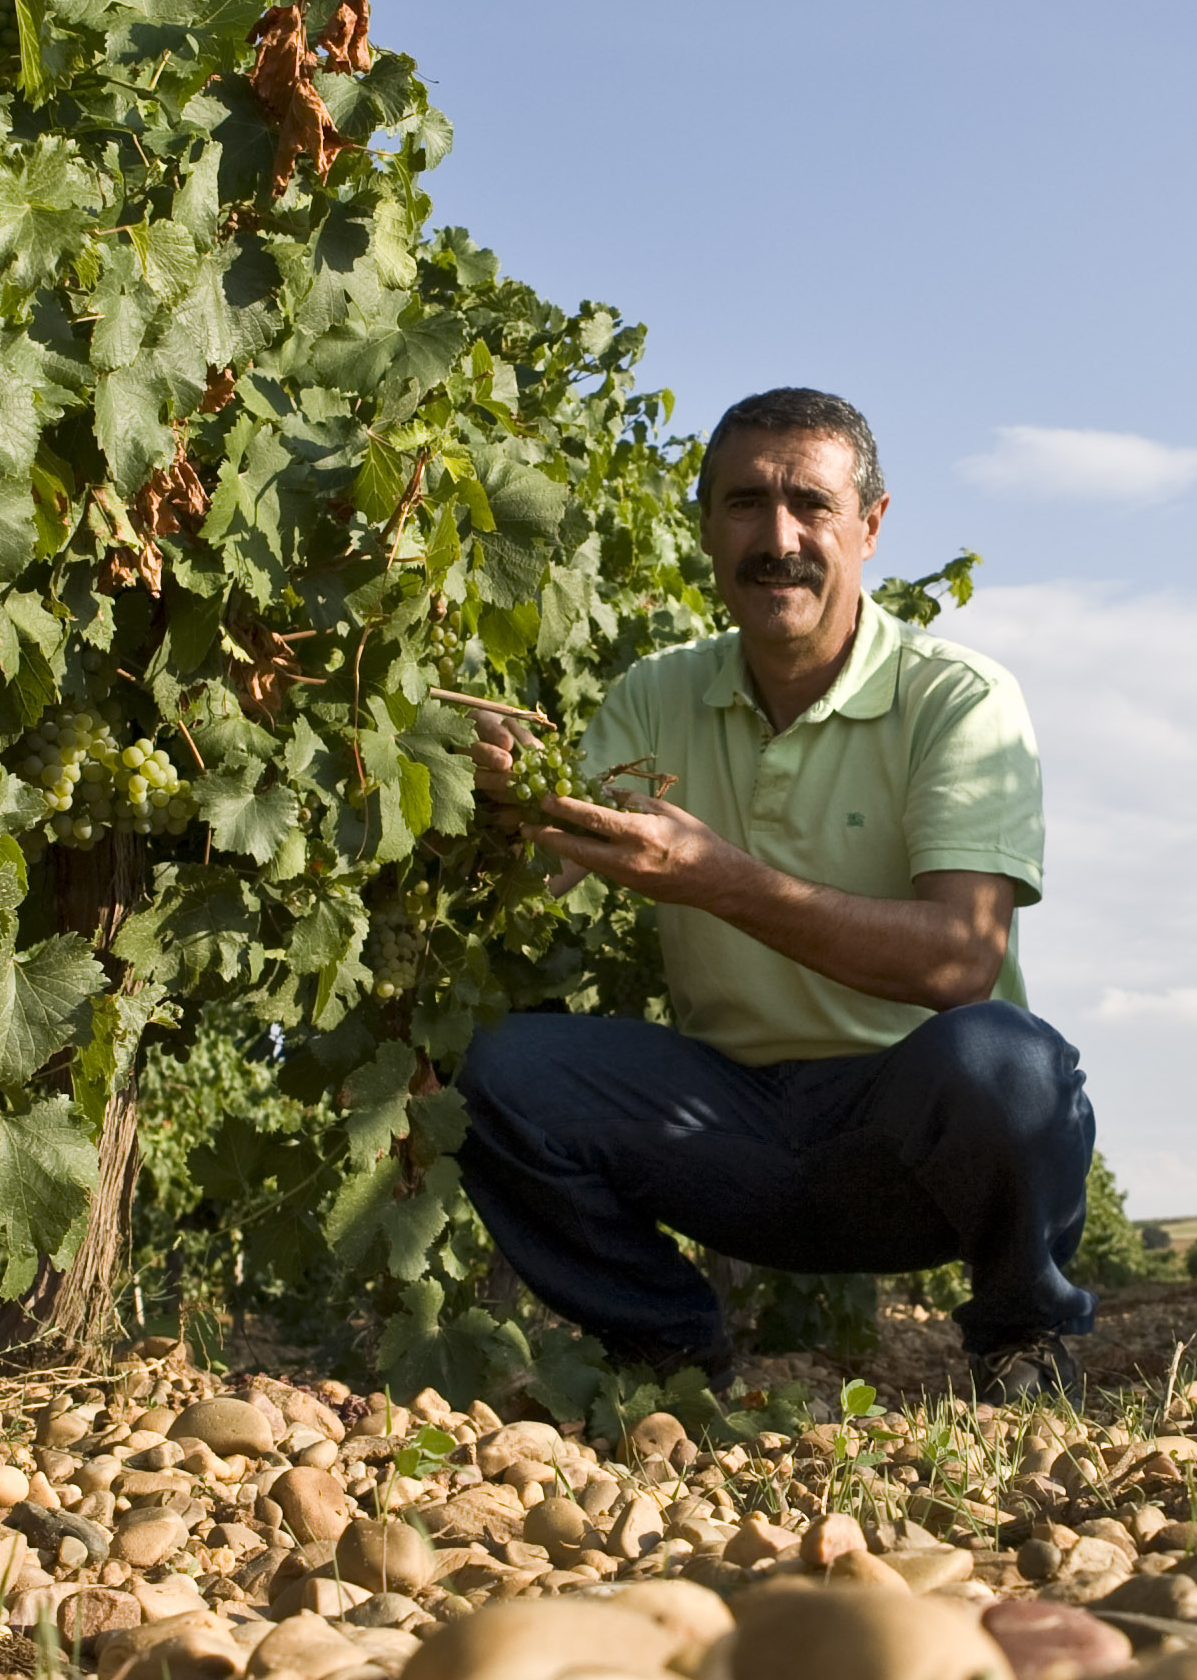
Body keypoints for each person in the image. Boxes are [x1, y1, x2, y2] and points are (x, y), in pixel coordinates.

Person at [458, 386, 1100, 1402]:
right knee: (498, 1070)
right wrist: (496, 797)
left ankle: (1023, 1337)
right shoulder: (653, 695)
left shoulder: (959, 698)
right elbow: (551, 857)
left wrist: (723, 881)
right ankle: (668, 1351)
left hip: (910, 1133)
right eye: (746, 503)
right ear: (706, 523)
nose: (780, 536)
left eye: (812, 503)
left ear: (872, 524)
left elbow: (962, 958)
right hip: (724, 1131)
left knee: (1011, 1064)